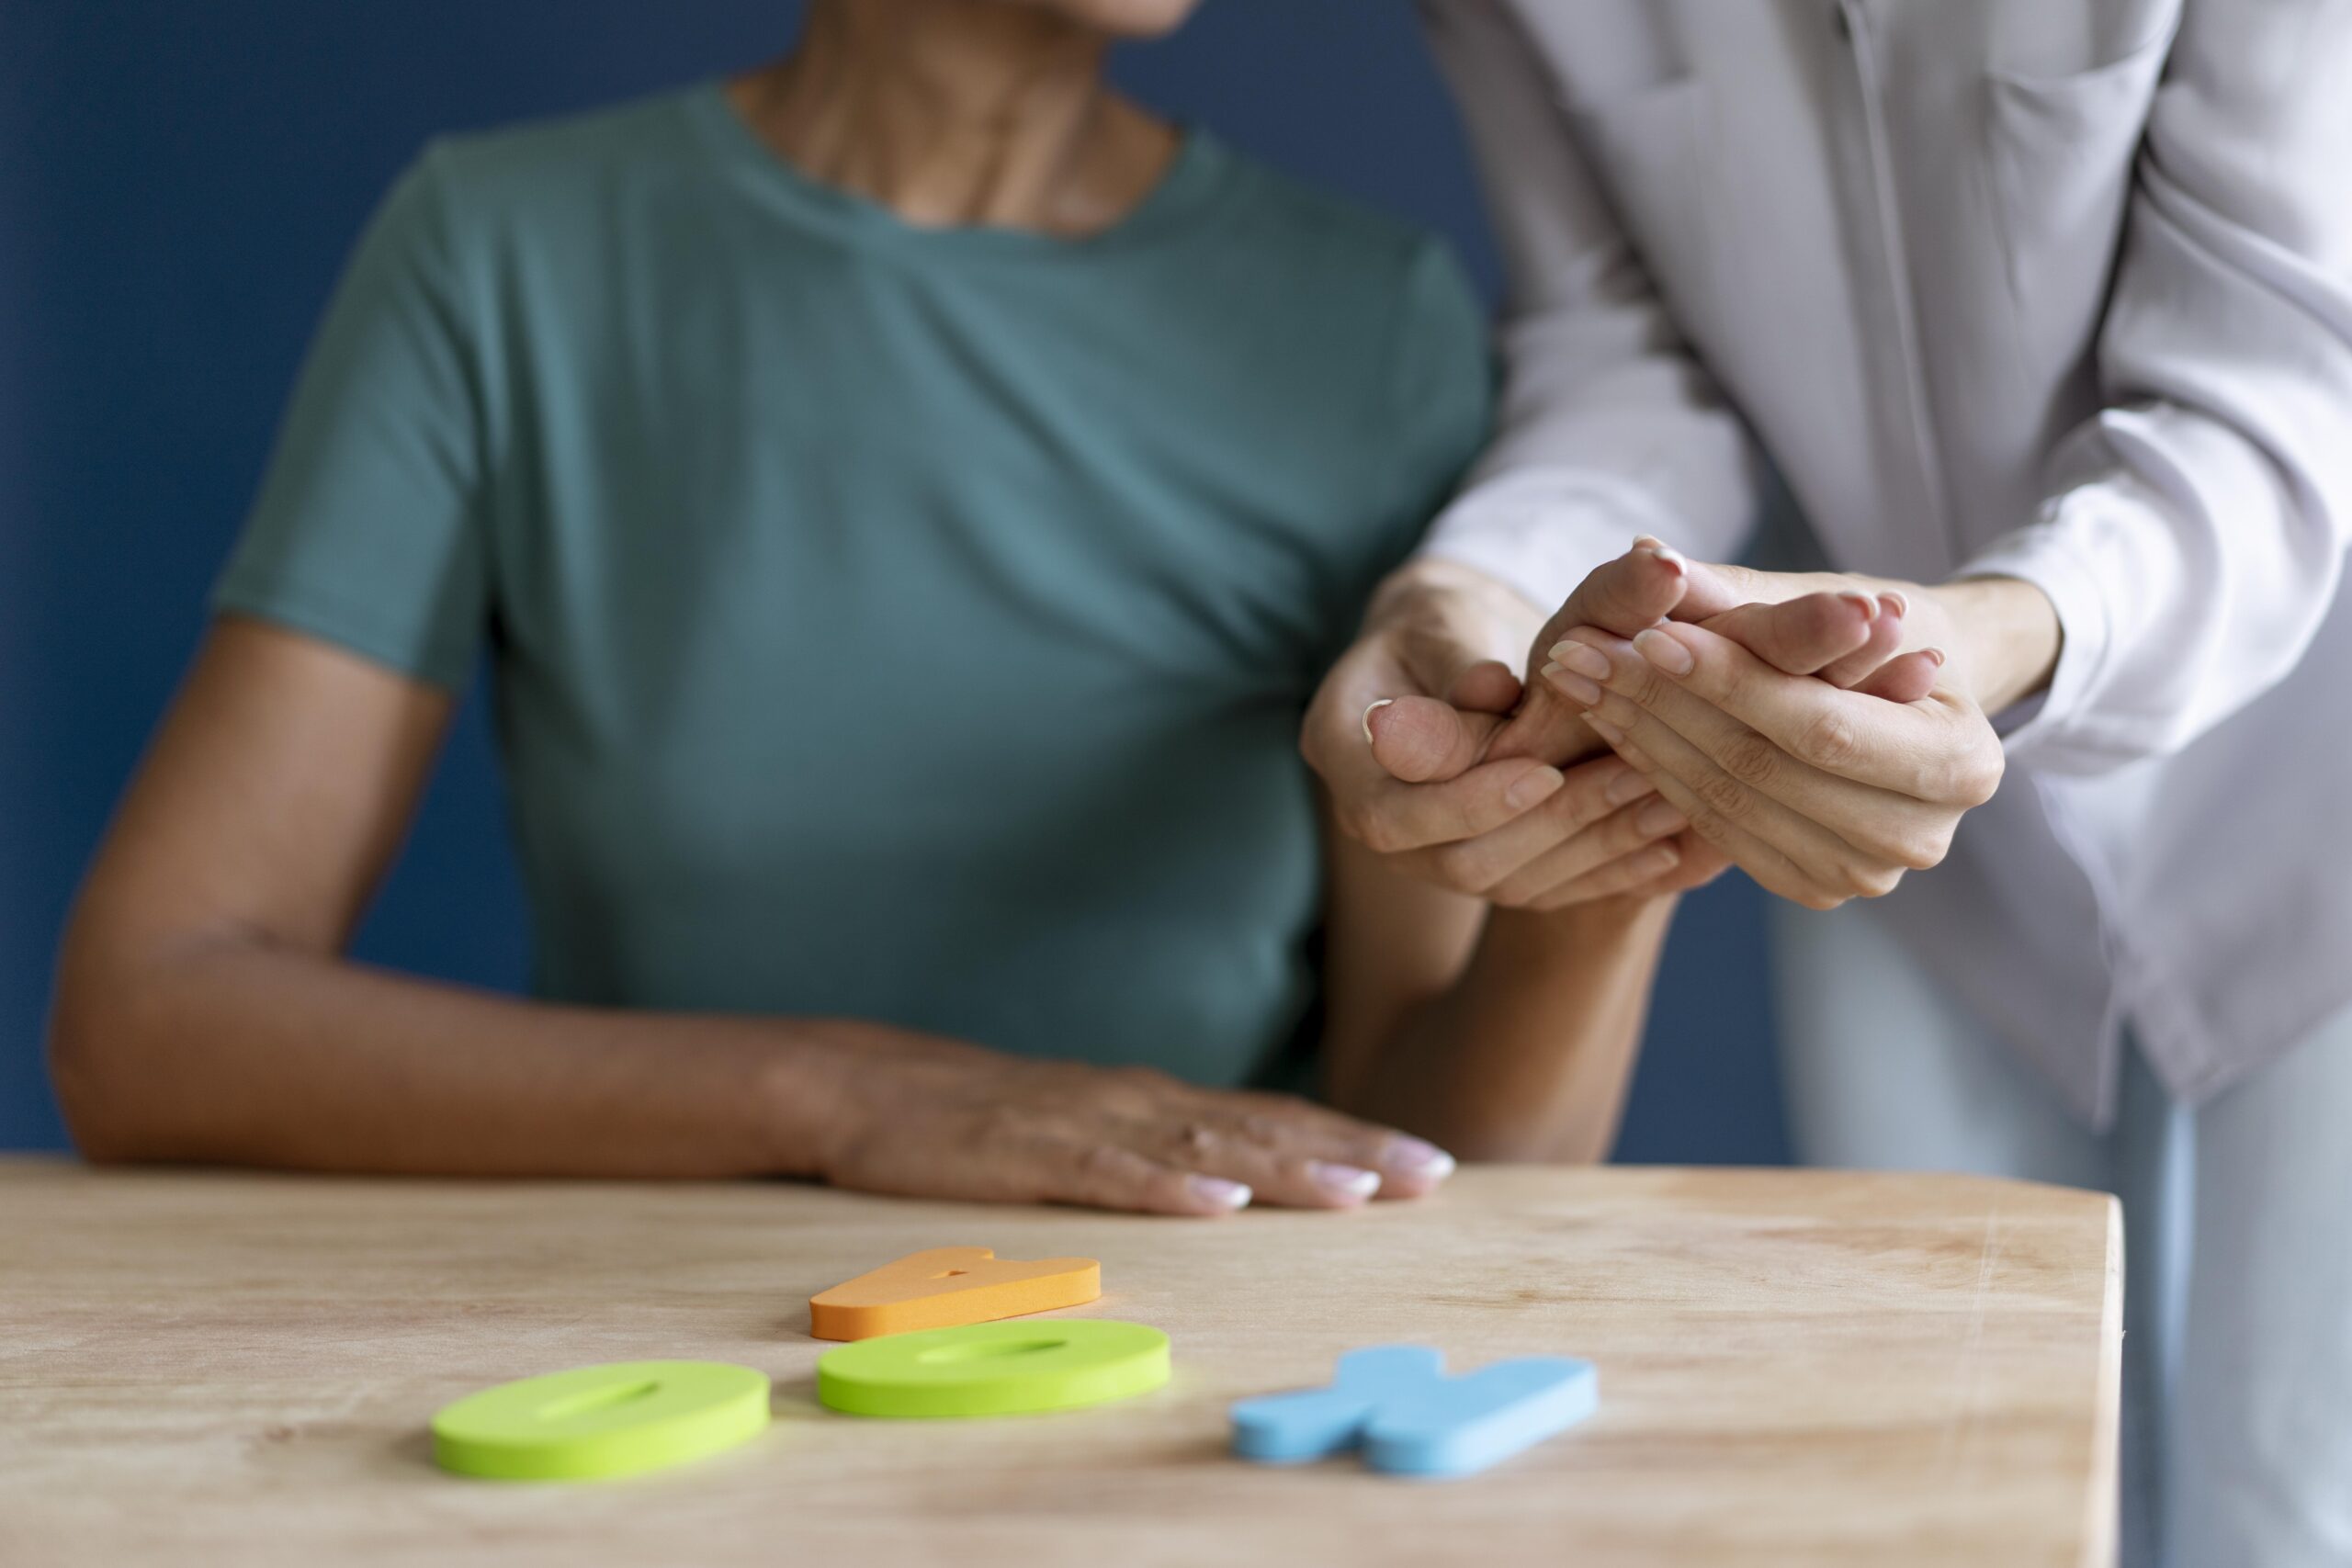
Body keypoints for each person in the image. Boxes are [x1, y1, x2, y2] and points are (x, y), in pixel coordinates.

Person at [46, 0, 1865, 1214]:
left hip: (1189, 1405)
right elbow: (153, 1012)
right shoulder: (501, 257)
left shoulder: (1359, 318)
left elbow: (1441, 1152)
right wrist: (838, 1099)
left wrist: (1617, 828)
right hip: (638, 1373)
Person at [1301, 4, 2352, 1562]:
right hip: (1841, 780)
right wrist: (1467, 604)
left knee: (2298, 1494)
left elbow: (2276, 378)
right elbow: (1626, 349)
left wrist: (1979, 637)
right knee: (1948, 1473)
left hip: (2296, 759)